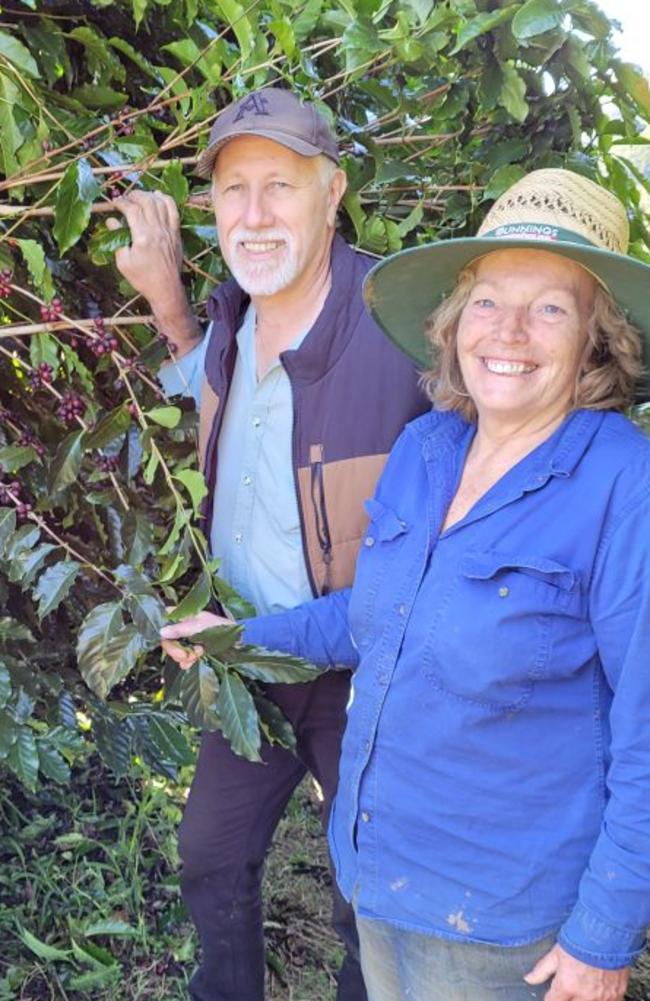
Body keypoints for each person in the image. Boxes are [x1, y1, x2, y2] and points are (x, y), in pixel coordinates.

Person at [191, 168, 650, 1001]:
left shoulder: (624, 483)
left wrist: (603, 936)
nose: (508, 330)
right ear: (453, 321)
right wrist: (236, 638)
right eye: (487, 300)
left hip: (501, 921)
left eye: (550, 306)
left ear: (596, 337)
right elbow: (375, 617)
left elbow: (646, 723)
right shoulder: (429, 447)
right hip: (377, 872)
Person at [110, 87, 428, 1001]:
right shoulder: (229, 321)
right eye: (233, 189)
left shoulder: (398, 325)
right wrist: (170, 300)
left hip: (365, 665)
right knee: (210, 852)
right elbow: (218, 415)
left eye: (279, 186)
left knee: (365, 893)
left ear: (333, 193)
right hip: (245, 655)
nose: (252, 214)